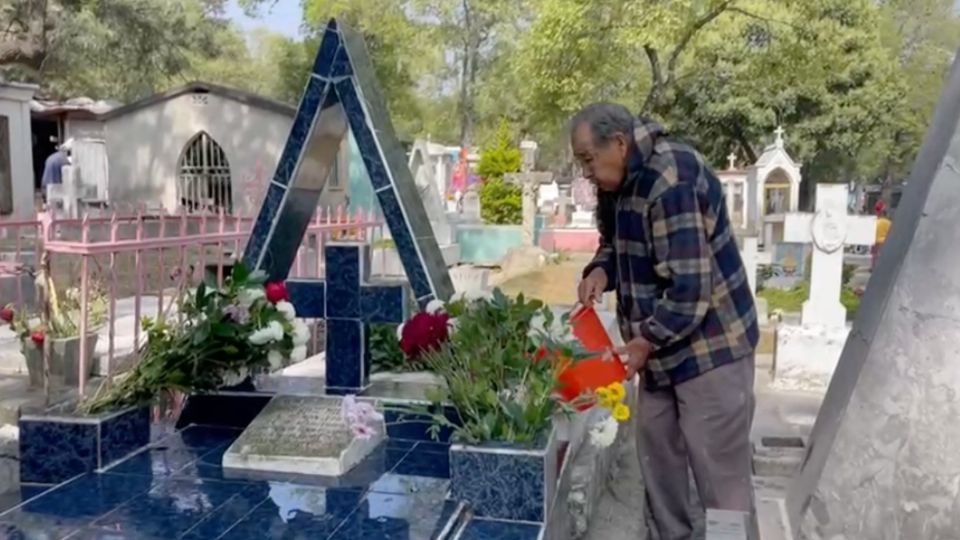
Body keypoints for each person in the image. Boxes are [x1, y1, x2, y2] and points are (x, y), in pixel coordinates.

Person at [571, 103, 759, 539]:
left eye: (587, 159)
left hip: (712, 349)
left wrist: (643, 342)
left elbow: (690, 290)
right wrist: (601, 270)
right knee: (659, 464)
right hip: (657, 353)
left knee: (721, 485)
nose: (586, 173)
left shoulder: (670, 179)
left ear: (618, 144)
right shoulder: (616, 184)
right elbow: (614, 242)